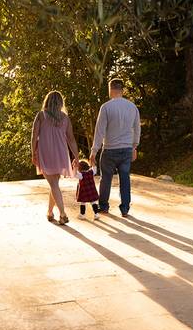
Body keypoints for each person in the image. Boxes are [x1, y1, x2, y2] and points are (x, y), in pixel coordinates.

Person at [89, 78, 141, 217]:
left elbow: (99, 131)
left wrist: (94, 151)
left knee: (106, 179)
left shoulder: (106, 107)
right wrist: (134, 147)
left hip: (110, 150)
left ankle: (104, 206)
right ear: (122, 90)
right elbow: (137, 129)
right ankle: (125, 209)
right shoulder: (132, 107)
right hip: (126, 150)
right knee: (125, 179)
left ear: (110, 89)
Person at [31, 90, 79, 225]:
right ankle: (49, 212)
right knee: (54, 184)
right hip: (61, 153)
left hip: (45, 153)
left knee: (53, 184)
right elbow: (71, 139)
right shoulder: (65, 118)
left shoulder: (41, 115)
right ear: (61, 103)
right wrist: (76, 155)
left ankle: (63, 214)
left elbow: (34, 136)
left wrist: (33, 152)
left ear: (47, 102)